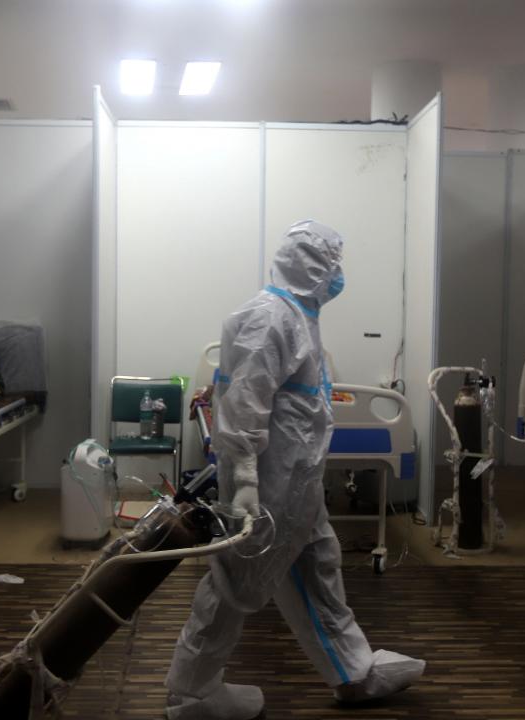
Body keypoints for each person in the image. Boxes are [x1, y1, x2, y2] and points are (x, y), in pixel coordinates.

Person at [164, 220, 424, 720]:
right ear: (312, 266)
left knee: (318, 565)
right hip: (267, 487)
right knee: (236, 583)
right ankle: (191, 692)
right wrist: (244, 480)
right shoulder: (269, 319)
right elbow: (244, 406)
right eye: (333, 264)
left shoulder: (300, 318)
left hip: (297, 486)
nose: (339, 274)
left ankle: (352, 671)